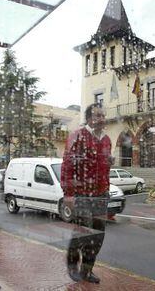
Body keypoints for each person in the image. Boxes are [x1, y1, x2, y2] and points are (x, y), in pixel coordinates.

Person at [61, 103, 113, 284]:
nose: (101, 119)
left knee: (98, 236)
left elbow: (104, 167)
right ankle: (72, 264)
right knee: (83, 232)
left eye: (103, 115)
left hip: (101, 195)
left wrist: (107, 184)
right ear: (89, 118)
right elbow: (68, 165)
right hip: (82, 194)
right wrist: (68, 194)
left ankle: (87, 270)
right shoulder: (78, 136)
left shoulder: (106, 139)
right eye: (97, 116)